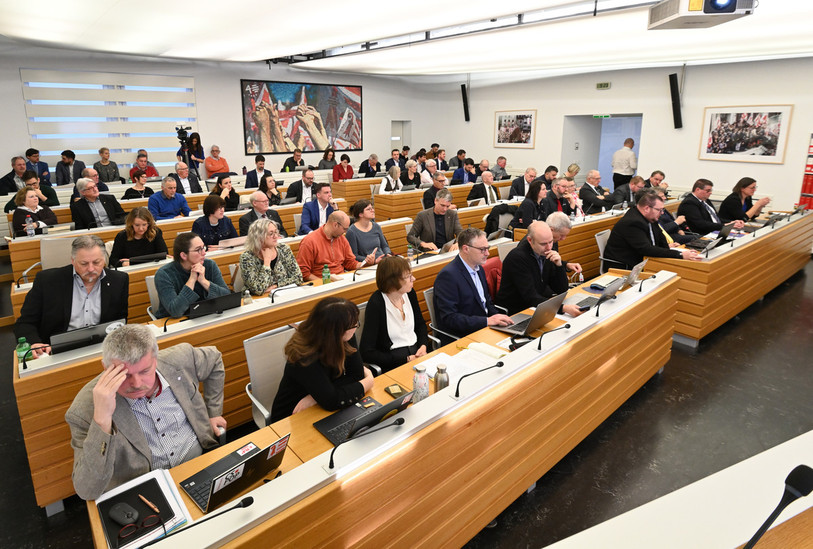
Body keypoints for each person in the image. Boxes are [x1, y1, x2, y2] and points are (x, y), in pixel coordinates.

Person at [64, 324, 226, 500]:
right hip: (146, 491)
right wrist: (102, 421)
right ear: (105, 368)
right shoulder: (84, 409)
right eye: (124, 375)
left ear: (155, 359)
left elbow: (215, 359)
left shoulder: (180, 358)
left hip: (201, 462)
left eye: (144, 371)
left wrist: (214, 412)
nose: (136, 383)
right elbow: (87, 491)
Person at [14, 235, 129, 355]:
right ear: (73, 261)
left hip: (101, 349)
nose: (91, 269)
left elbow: (120, 321)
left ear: (104, 259)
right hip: (56, 351)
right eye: (84, 263)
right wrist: (34, 343)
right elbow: (25, 323)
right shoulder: (47, 281)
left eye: (96, 262)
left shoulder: (119, 280)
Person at [270, 297, 374, 422]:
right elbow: (332, 401)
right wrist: (369, 380)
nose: (356, 326)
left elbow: (356, 374)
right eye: (354, 324)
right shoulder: (304, 356)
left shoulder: (344, 336)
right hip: (291, 416)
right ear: (336, 331)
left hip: (319, 406)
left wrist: (315, 397)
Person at [433, 228, 513, 343]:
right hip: (464, 337)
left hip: (485, 329)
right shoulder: (448, 276)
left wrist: (500, 319)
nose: (487, 253)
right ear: (466, 249)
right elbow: (450, 319)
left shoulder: (478, 268)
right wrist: (487, 321)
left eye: (488, 248)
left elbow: (487, 302)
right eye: (482, 249)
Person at [496, 221, 582, 316]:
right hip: (515, 313)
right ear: (530, 240)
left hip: (536, 307)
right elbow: (530, 297)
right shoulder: (517, 258)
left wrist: (559, 265)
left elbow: (561, 289)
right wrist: (563, 308)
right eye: (543, 244)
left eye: (551, 242)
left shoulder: (546, 253)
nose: (549, 247)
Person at [360, 256, 429, 371]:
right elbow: (367, 352)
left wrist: (423, 345)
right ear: (393, 281)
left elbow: (420, 325)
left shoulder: (410, 294)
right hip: (394, 363)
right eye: (408, 276)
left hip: (418, 354)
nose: (414, 279)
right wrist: (405, 359)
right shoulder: (377, 303)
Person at [604, 189, 702, 269]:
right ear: (647, 208)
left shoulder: (650, 217)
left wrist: (668, 249)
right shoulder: (632, 222)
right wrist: (680, 255)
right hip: (625, 266)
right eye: (659, 210)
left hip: (643, 261)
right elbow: (646, 249)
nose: (662, 213)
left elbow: (660, 238)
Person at [154, 232, 231, 318]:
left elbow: (227, 297)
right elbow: (176, 311)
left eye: (203, 248)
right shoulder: (164, 274)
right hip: (173, 323)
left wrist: (203, 281)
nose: (204, 253)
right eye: (198, 250)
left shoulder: (210, 265)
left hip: (204, 316)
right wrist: (192, 279)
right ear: (183, 255)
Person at [297, 211, 374, 280]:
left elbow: (350, 263)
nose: (345, 232)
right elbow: (303, 272)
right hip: (321, 282)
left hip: (342, 279)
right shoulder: (309, 241)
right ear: (335, 225)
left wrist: (365, 263)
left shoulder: (341, 239)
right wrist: (323, 283)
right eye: (344, 229)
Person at [239, 217, 302, 295]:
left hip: (283, 294)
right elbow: (258, 289)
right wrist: (266, 262)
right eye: (271, 234)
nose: (275, 236)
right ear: (258, 237)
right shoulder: (247, 258)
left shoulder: (284, 249)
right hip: (257, 301)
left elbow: (298, 278)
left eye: (276, 232)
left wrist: (276, 286)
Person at [677, 178, 745, 235]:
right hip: (702, 233)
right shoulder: (689, 203)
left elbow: (716, 218)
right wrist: (724, 226)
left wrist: (731, 222)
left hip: (714, 230)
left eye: (711, 190)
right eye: (708, 190)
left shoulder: (706, 200)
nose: (710, 192)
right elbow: (700, 224)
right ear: (698, 190)